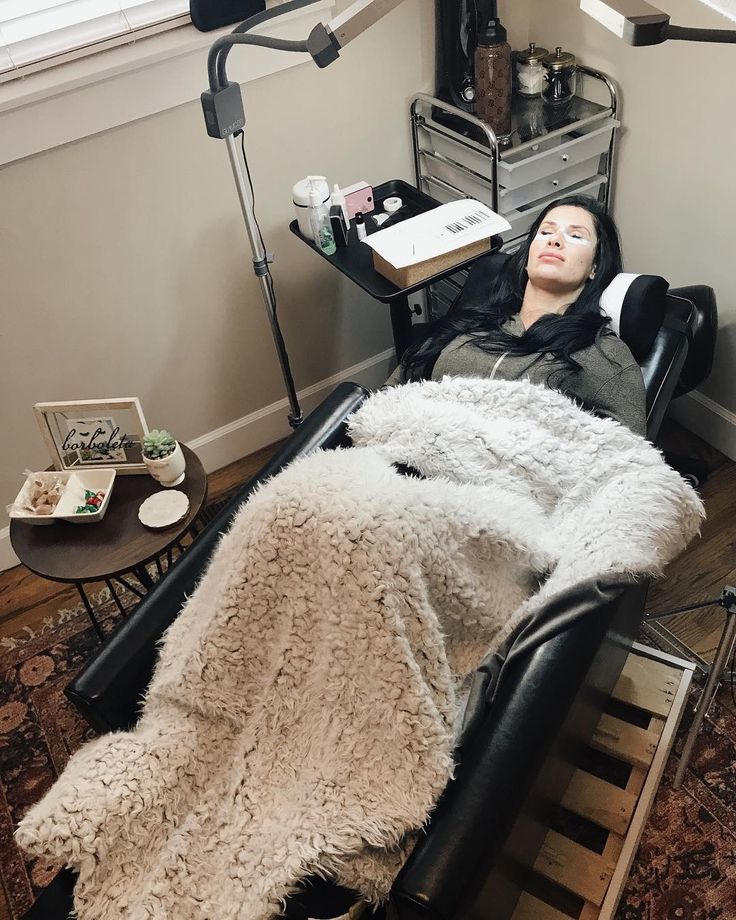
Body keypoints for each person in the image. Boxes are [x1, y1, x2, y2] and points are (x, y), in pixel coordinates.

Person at [385, 195, 647, 436]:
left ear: (595, 267)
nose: (555, 240)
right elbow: (394, 390)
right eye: (546, 232)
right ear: (527, 256)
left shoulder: (603, 355)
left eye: (576, 236)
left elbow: (629, 462)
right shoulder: (473, 323)